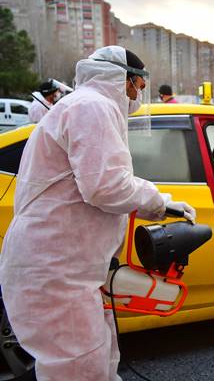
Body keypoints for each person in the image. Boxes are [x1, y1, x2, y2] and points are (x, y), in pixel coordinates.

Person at [0, 46, 196, 381]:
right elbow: (105, 186)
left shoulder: (84, 105)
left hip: (69, 270)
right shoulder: (92, 107)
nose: (140, 93)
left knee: (98, 361)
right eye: (138, 84)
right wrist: (158, 203)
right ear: (123, 79)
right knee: (79, 369)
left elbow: (96, 179)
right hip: (58, 272)